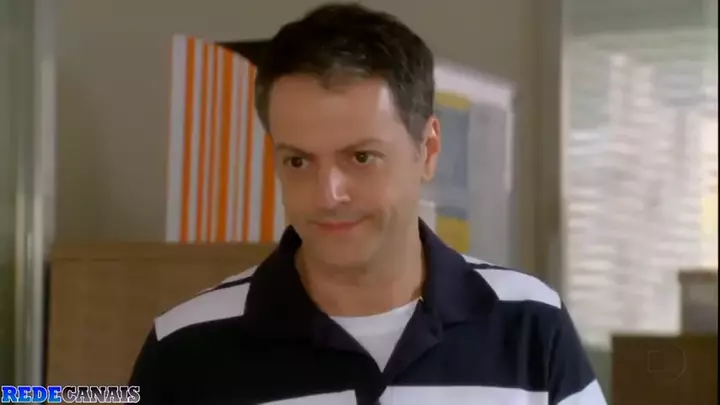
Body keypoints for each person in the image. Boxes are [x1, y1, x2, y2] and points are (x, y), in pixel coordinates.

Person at [129, 3, 607, 405]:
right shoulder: (182, 349)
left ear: (428, 150)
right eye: (298, 161)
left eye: (361, 157)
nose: (328, 194)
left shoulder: (532, 326)